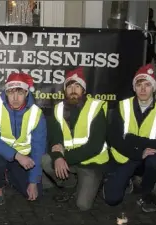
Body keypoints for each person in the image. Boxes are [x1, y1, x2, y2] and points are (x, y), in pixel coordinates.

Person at [104, 64, 156, 212]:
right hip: (125, 156)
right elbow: (113, 138)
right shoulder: (122, 106)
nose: (143, 89)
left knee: (155, 160)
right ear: (134, 87)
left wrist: (131, 138)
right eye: (139, 85)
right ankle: (128, 181)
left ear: (154, 88)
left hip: (148, 158)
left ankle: (145, 194)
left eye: (147, 85)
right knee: (112, 200)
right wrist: (138, 152)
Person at [42, 68, 109, 211]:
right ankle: (70, 185)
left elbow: (95, 146)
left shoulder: (96, 108)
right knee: (46, 161)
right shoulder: (58, 109)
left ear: (83, 90)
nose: (73, 90)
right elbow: (54, 139)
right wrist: (57, 157)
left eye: (77, 86)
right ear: (65, 91)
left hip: (91, 163)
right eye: (70, 86)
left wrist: (63, 157)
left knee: (83, 206)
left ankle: (95, 181)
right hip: (70, 161)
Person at [0, 72, 47, 205]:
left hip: (24, 155)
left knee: (36, 194)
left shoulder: (37, 114)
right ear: (6, 93)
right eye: (11, 92)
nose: (15, 98)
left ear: (26, 93)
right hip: (1, 152)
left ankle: (10, 176)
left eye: (20, 93)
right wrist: (17, 156)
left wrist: (33, 181)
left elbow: (38, 148)